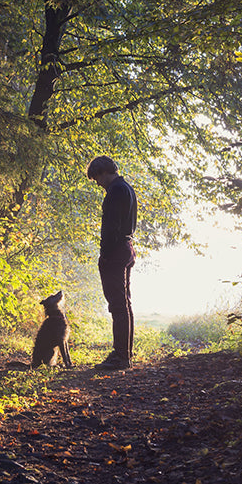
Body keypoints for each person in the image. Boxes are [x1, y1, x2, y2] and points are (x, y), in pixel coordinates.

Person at [87, 155, 137, 370]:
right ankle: (124, 353)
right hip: (126, 248)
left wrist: (105, 253)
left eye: (96, 178)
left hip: (116, 251)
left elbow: (111, 226)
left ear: (103, 172)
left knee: (118, 304)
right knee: (124, 303)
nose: (97, 183)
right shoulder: (127, 188)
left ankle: (121, 357)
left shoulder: (116, 190)